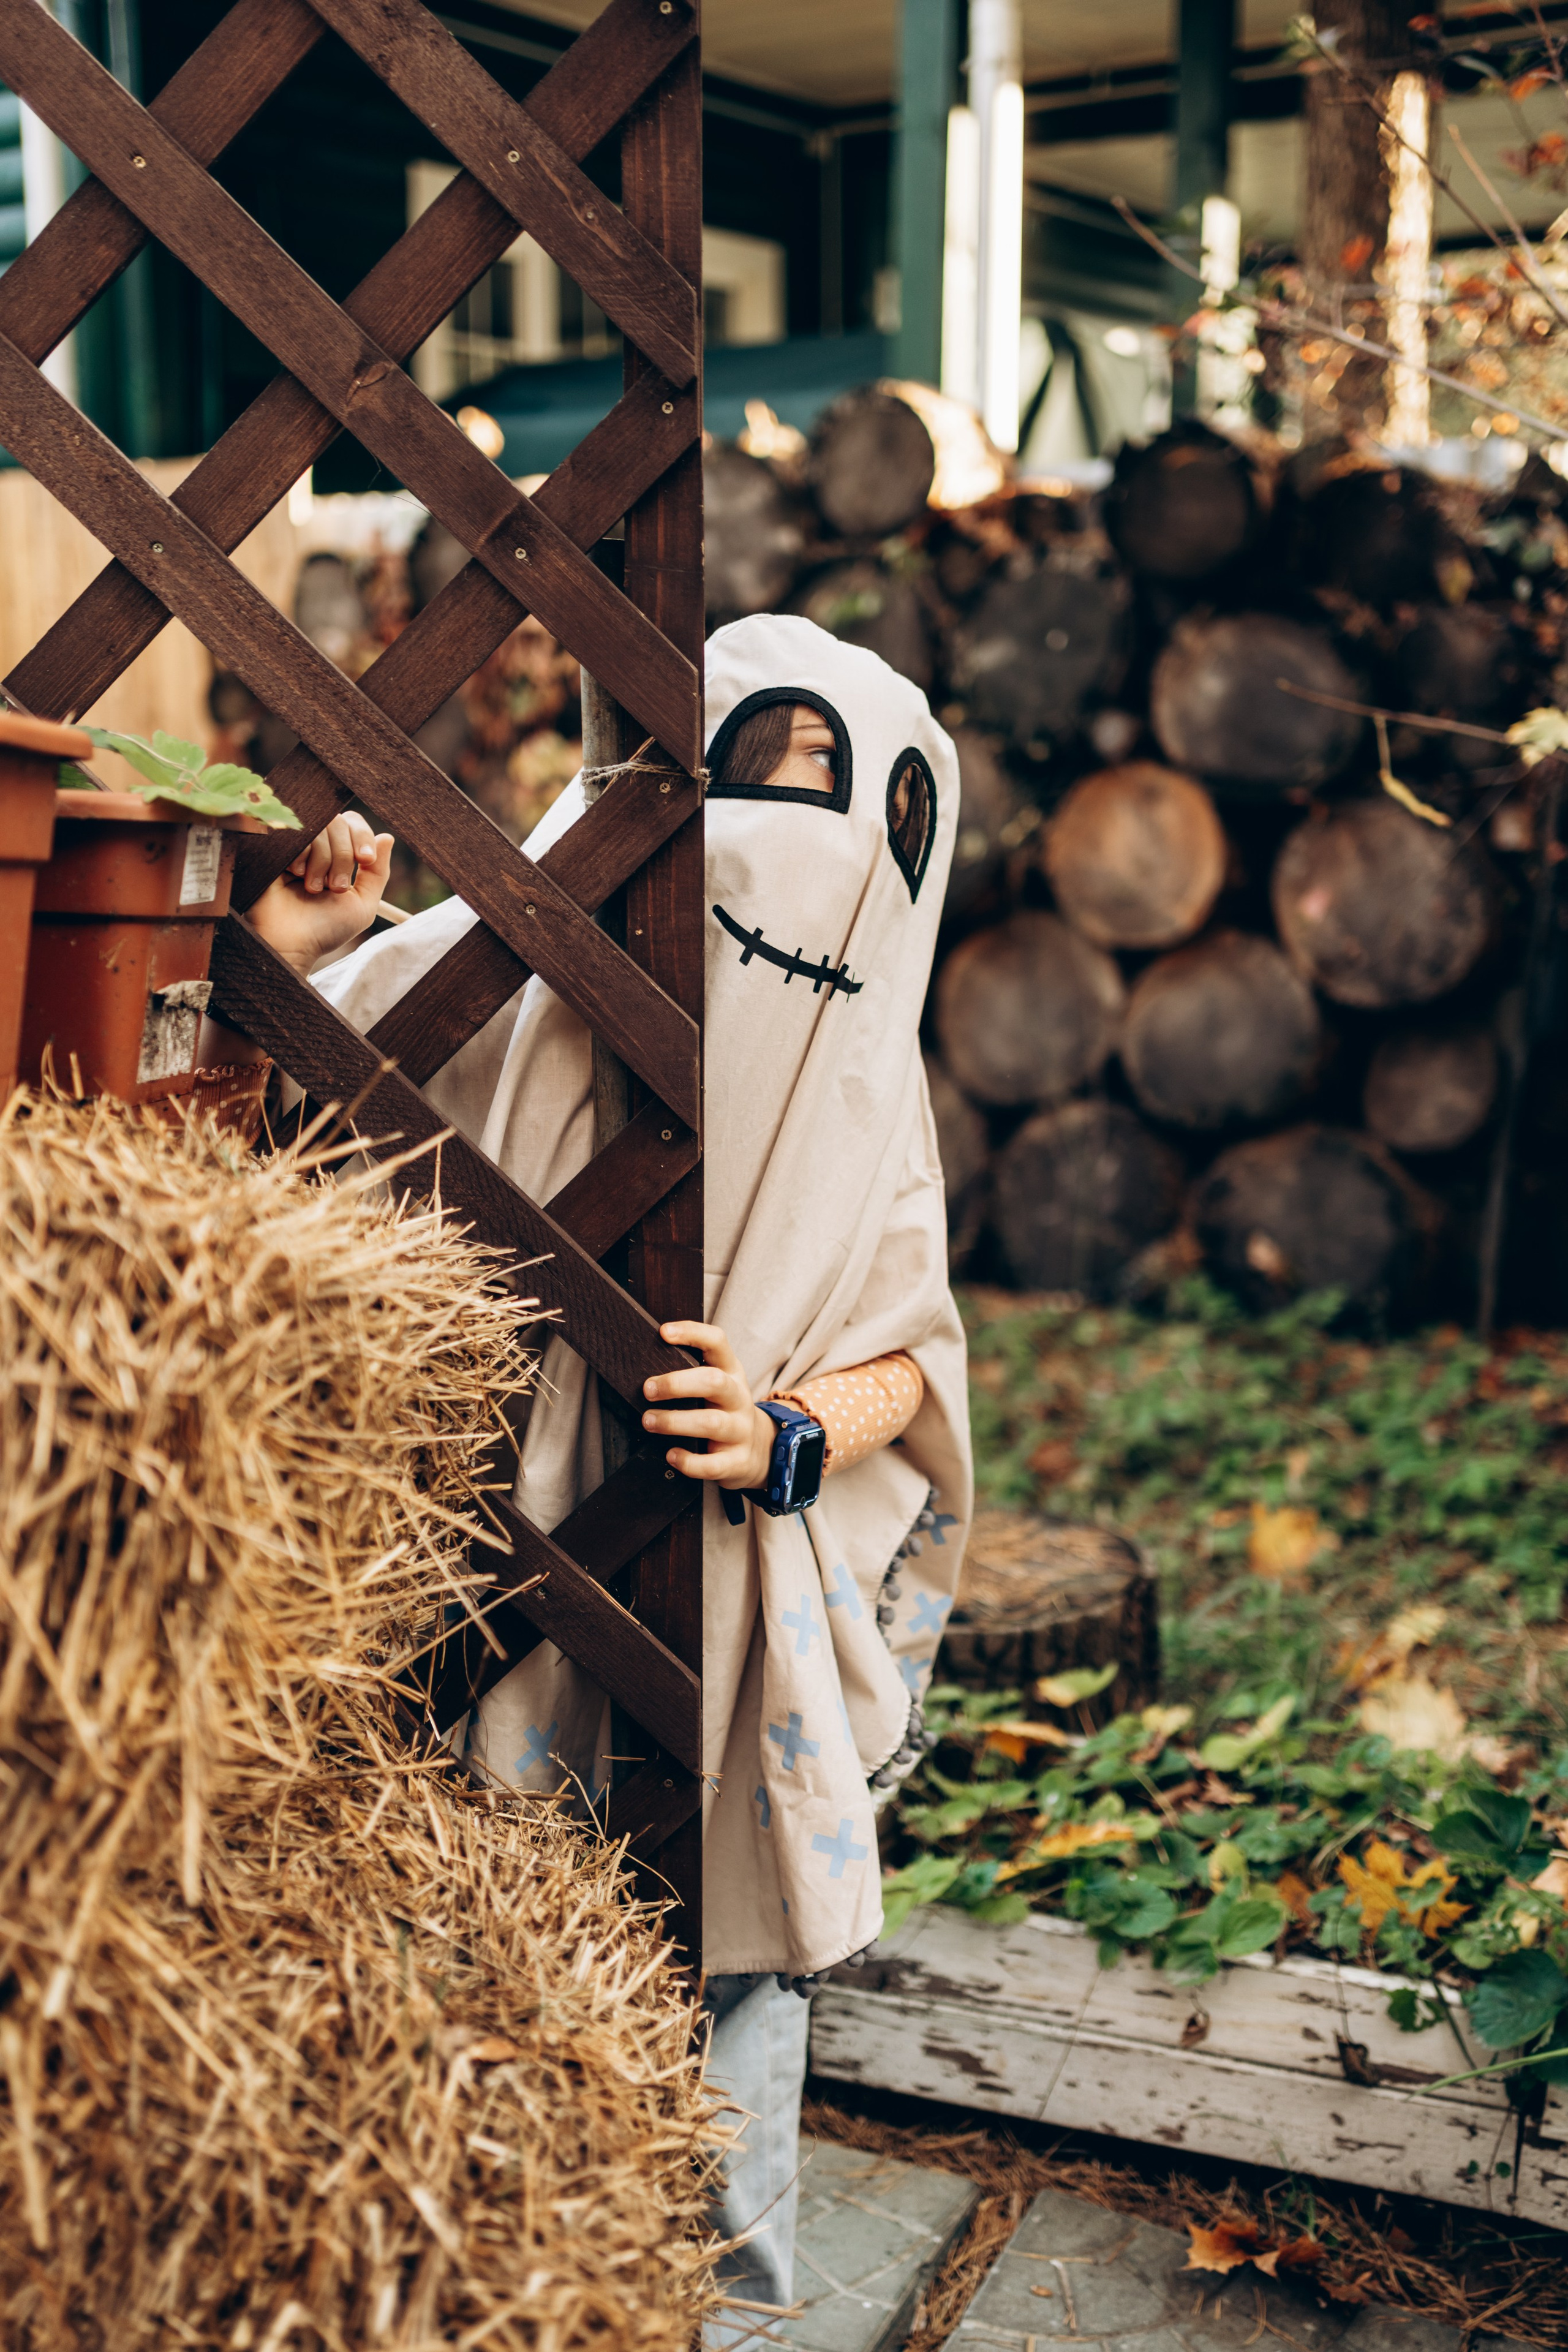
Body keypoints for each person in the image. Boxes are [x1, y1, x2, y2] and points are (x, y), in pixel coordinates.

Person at [224, 616, 973, 2333]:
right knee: (457, 1958)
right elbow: (286, 1108)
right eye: (767, 780)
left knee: (720, 1981)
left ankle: (690, 2301)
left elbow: (913, 1363)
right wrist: (301, 955)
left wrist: (793, 1427)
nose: (814, 862)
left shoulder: (876, 1098)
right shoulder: (504, 980)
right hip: (479, 1576)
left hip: (721, 1629)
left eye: (862, 815)